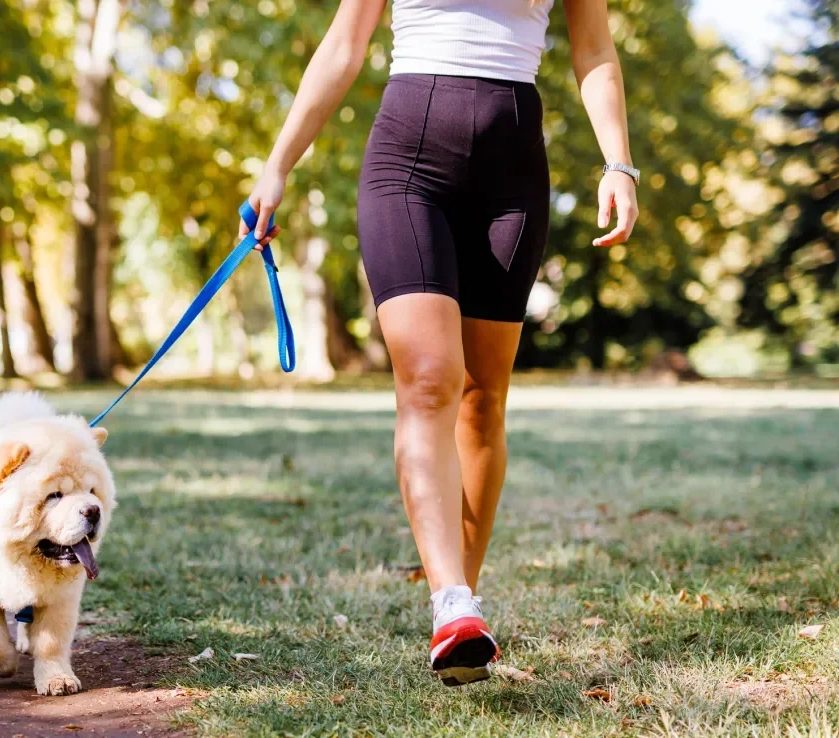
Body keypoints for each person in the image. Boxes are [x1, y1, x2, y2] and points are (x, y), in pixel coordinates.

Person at [241, 0, 638, 687]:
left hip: (513, 170)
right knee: (429, 379)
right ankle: (450, 600)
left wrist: (619, 163)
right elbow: (346, 42)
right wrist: (279, 163)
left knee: (483, 400)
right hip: (408, 160)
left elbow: (595, 48)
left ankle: (461, 622)